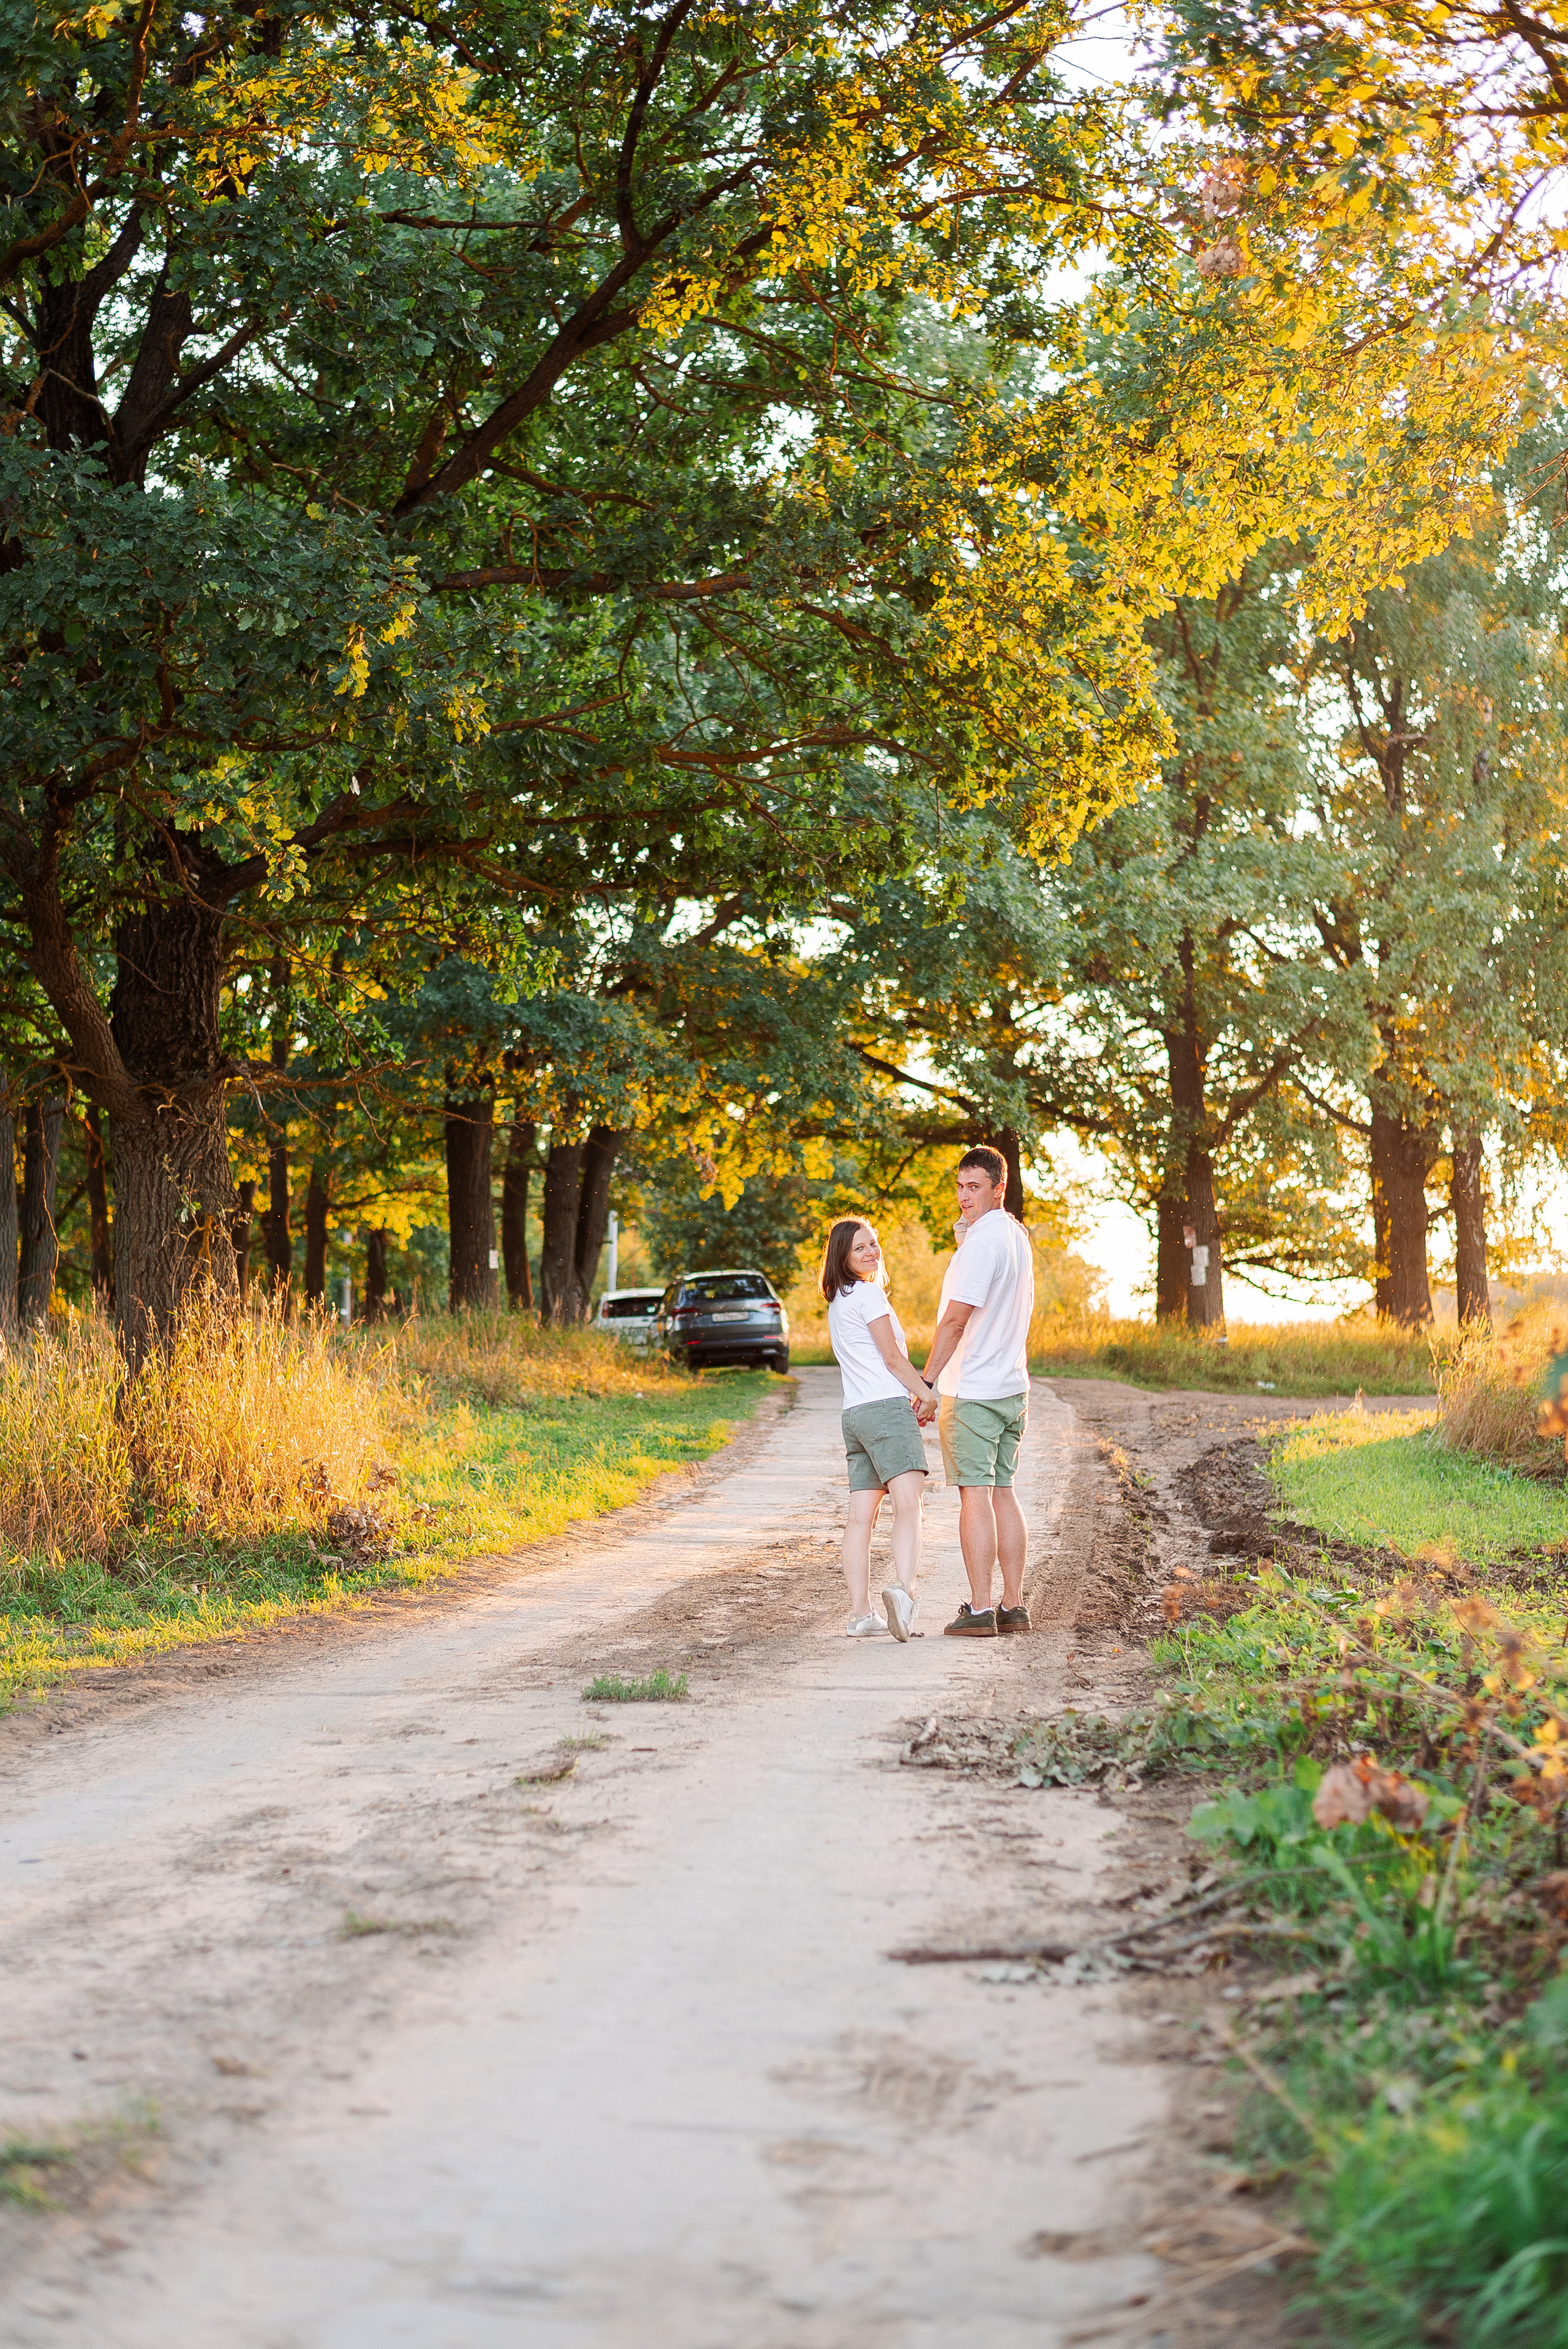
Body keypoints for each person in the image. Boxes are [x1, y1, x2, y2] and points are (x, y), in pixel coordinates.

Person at [916, 1146, 1035, 1638]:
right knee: (1003, 1491)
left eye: (975, 1187)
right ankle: (1013, 1604)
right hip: (1011, 1387)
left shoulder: (983, 1245)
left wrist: (925, 1382)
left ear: (998, 1188)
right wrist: (966, 1237)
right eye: (960, 1186)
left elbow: (956, 1320)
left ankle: (981, 1608)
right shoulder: (1014, 1235)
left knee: (975, 1496)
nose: (965, 1196)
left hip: (975, 1392)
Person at [821, 1217, 933, 1641]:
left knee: (859, 1520)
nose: (871, 1252)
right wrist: (926, 1393)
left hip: (855, 1415)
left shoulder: (839, 1302)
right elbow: (891, 1358)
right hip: (886, 1409)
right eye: (860, 1248)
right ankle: (905, 1595)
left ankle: (861, 1615)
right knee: (909, 1505)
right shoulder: (869, 1294)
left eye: (874, 1243)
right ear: (843, 1258)